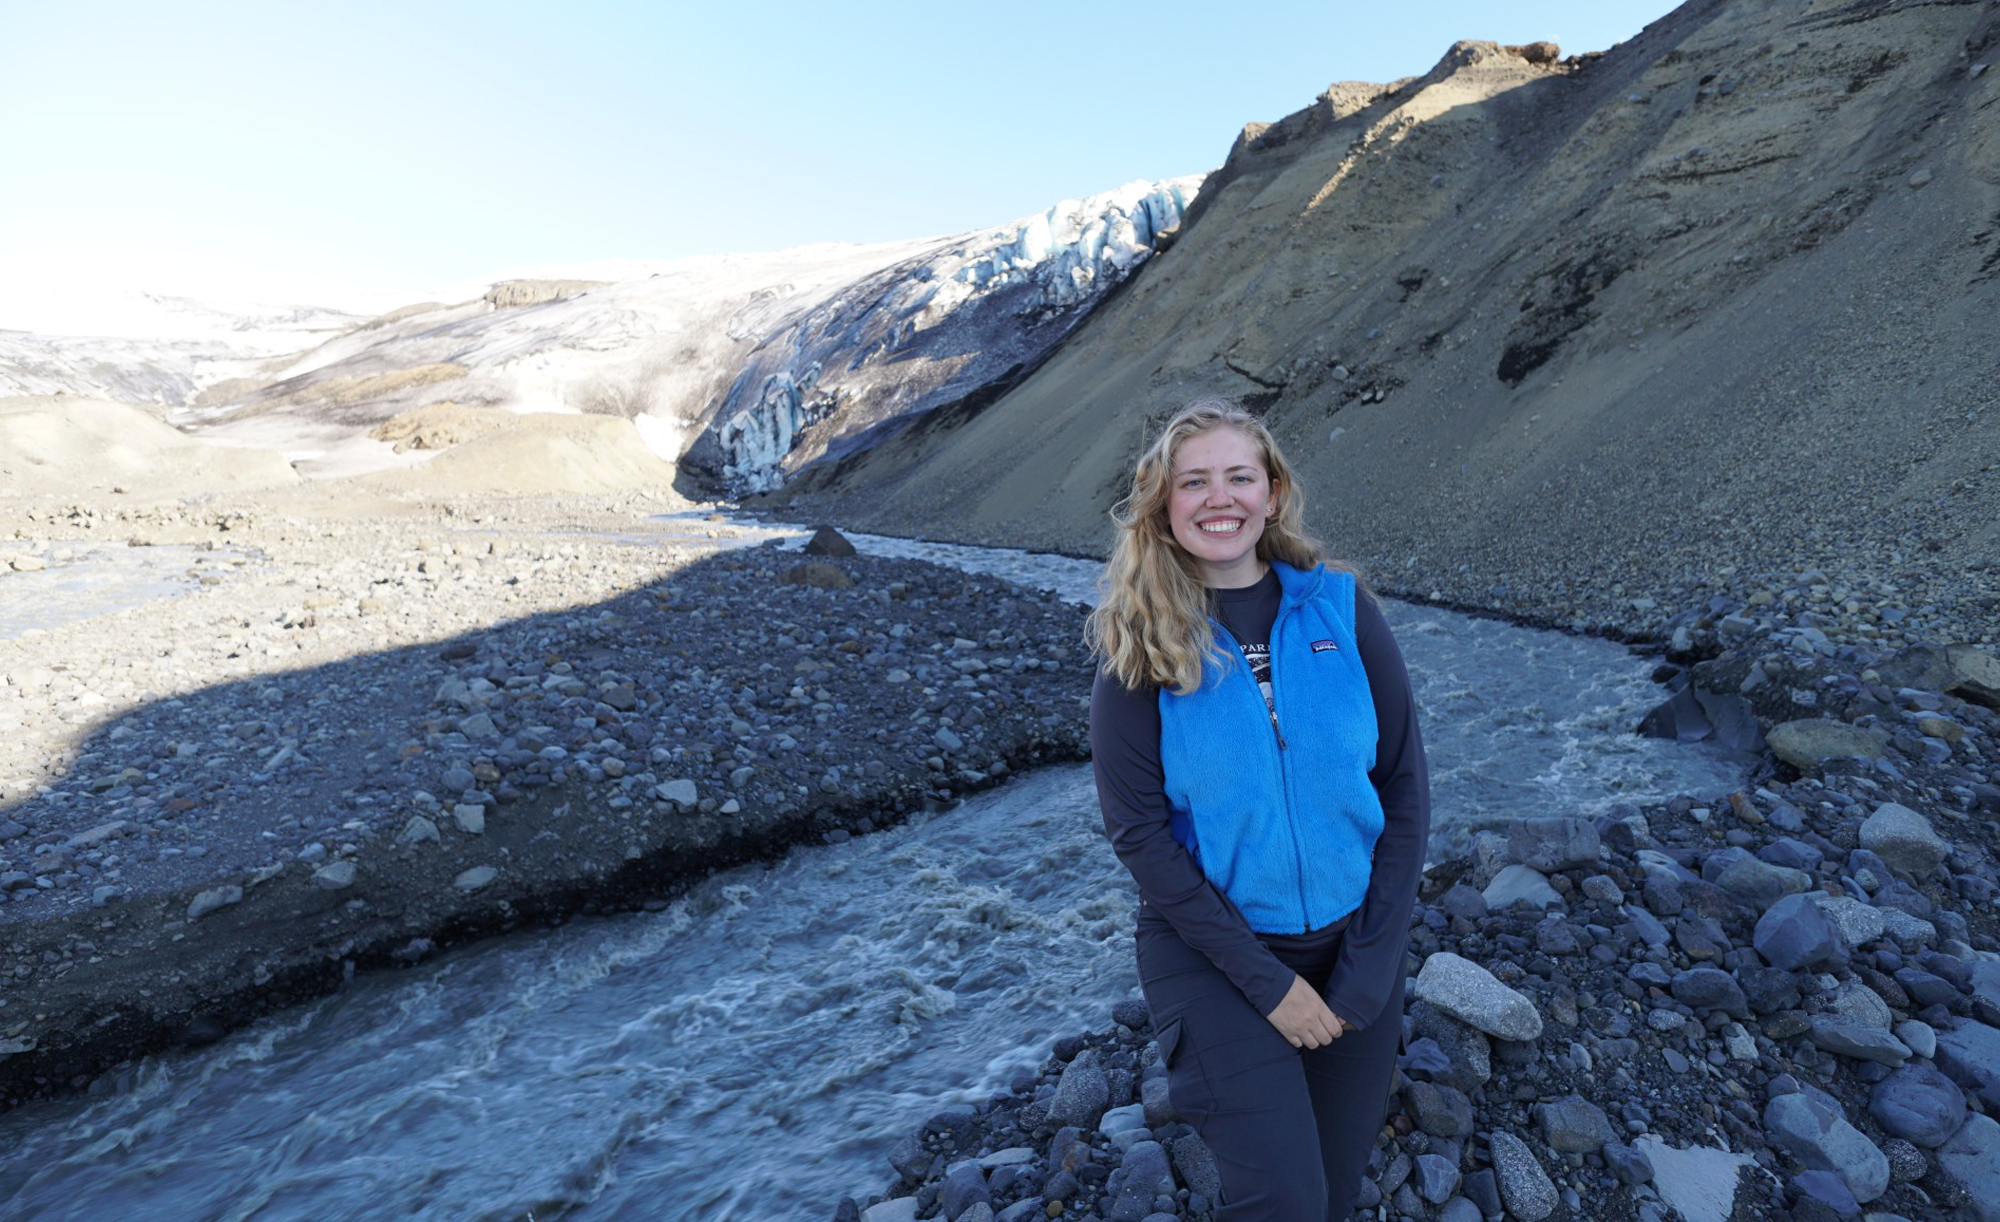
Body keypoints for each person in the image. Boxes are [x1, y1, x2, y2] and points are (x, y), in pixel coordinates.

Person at [1086, 398, 1431, 1220]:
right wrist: (1270, 988)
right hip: (1212, 961)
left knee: (1333, 1195)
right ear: (1164, 506)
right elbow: (1140, 839)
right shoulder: (1138, 649)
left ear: (1272, 493)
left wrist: (1367, 971)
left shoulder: (1345, 613)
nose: (1220, 498)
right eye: (1194, 481)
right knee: (1283, 1199)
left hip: (1351, 947)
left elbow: (1404, 792)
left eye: (1240, 477)